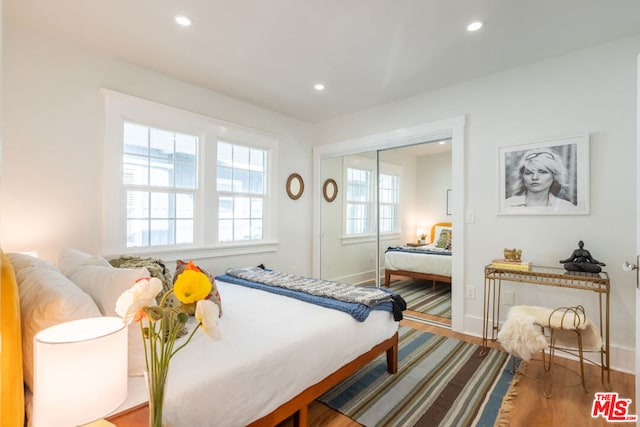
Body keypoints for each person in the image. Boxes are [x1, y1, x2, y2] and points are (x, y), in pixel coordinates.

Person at [505, 148, 575, 209]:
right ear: (522, 176)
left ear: (554, 176)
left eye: (542, 172)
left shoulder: (567, 207)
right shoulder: (508, 204)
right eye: (529, 173)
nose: (534, 177)